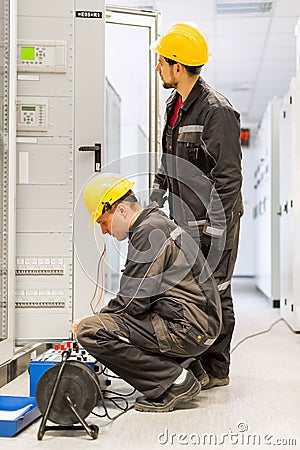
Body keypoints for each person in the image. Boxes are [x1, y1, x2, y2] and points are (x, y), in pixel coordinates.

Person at [75, 172, 222, 413]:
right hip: (196, 323)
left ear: (121, 210)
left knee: (90, 331)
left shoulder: (149, 233)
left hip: (189, 327)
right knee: (114, 322)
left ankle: (176, 382)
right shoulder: (154, 223)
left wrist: (94, 320)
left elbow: (132, 304)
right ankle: (189, 367)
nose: (103, 231)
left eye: (103, 222)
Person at [150, 23, 243, 389]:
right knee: (190, 289)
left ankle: (217, 368)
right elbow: (168, 160)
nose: (157, 67)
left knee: (216, 288)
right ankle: (198, 363)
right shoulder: (175, 106)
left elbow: (228, 179)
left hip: (216, 219)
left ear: (178, 67)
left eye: (161, 62)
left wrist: (214, 226)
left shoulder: (216, 111)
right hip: (184, 217)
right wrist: (157, 197)